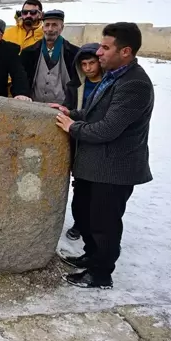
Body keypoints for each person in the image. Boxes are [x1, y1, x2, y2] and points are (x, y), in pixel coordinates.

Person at [51, 22, 154, 289]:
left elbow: (108, 128)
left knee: (104, 223)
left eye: (106, 48)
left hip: (114, 169)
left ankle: (101, 273)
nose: (98, 53)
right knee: (86, 215)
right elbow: (94, 113)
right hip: (95, 165)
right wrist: (69, 112)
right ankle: (91, 256)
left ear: (126, 52)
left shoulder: (135, 84)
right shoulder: (114, 76)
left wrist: (72, 127)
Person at [61, 43, 103, 241]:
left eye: (92, 63)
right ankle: (80, 224)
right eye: (84, 64)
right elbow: (71, 108)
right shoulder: (76, 85)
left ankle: (98, 231)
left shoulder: (109, 85)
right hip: (79, 138)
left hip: (100, 138)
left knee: (99, 192)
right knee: (80, 187)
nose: (88, 68)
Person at [21, 10, 80, 103]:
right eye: (47, 25)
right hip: (33, 106)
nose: (50, 29)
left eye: (54, 25)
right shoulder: (28, 52)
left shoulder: (74, 53)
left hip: (62, 109)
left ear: (62, 28)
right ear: (42, 27)